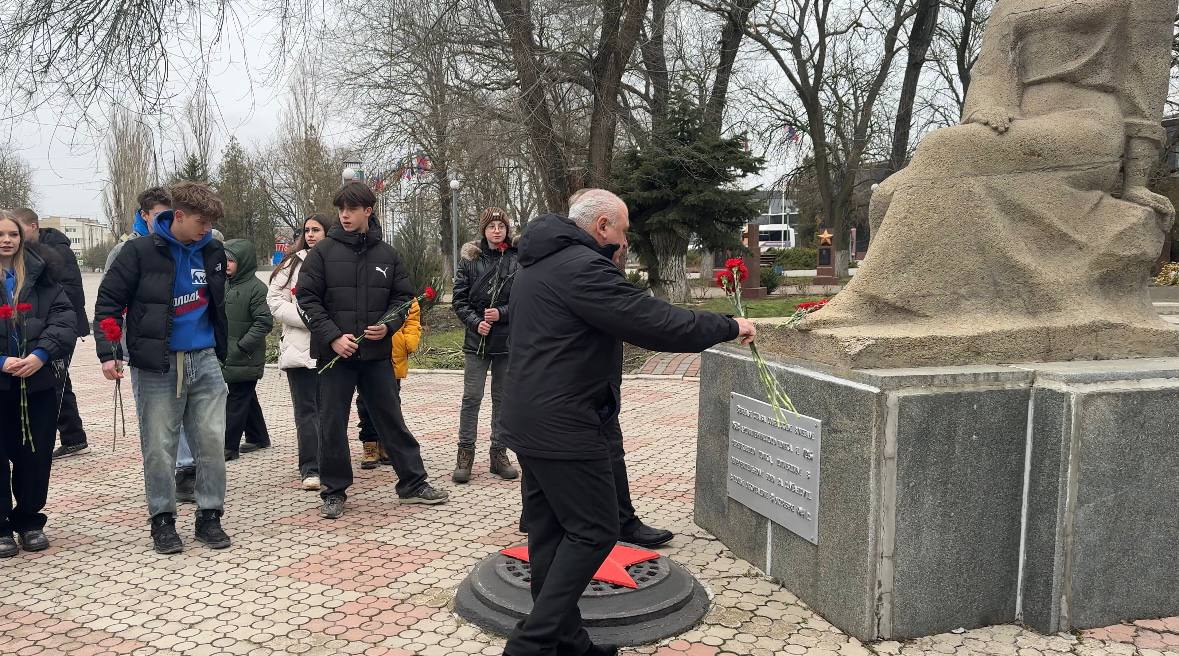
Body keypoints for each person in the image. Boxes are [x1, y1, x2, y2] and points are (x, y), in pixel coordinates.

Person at [501, 189, 756, 656]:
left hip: (529, 417)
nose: (624, 240)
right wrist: (728, 326)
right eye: (622, 230)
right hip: (566, 423)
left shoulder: (537, 263)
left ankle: (568, 642)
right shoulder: (582, 268)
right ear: (602, 226)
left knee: (549, 533)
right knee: (596, 530)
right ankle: (530, 645)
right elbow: (652, 321)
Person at [93, 182, 232, 555]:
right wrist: (109, 351)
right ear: (179, 216)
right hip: (157, 365)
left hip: (204, 360)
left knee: (212, 442)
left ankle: (209, 515)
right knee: (158, 447)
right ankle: (163, 520)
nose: (207, 229)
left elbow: (217, 305)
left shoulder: (214, 251)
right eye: (201, 222)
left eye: (211, 223)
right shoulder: (138, 252)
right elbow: (108, 303)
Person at [296, 182, 448, 519]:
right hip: (335, 356)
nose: (345, 215)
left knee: (391, 418)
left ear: (369, 210)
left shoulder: (387, 254)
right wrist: (333, 336)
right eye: (341, 209)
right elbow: (306, 299)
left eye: (352, 209)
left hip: (376, 355)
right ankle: (333, 491)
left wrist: (388, 326)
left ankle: (413, 483)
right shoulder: (322, 253)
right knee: (332, 423)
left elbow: (403, 299)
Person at [0, 211, 76, 557]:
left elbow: (64, 316)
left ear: (21, 237)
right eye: (0, 235)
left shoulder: (41, 274)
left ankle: (29, 520)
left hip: (37, 381)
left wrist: (41, 354)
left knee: (36, 454)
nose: (6, 240)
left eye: (12, 234)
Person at [10, 208, 91, 459]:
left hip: (56, 329)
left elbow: (68, 293)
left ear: (33, 227)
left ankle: (60, 436)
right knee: (59, 380)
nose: (13, 239)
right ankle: (73, 436)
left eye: (17, 232)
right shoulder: (28, 252)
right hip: (37, 329)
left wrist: (54, 331)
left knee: (54, 381)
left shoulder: (56, 252)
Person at [451, 207, 519, 483]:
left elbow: (525, 298)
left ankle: (498, 453)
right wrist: (475, 321)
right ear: (483, 230)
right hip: (476, 341)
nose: (496, 230)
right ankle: (465, 453)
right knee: (472, 398)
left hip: (505, 341)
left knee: (502, 400)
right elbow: (459, 300)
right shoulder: (470, 260)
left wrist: (502, 312)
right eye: (491, 226)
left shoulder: (517, 260)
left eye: (500, 226)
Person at [268, 214, 333, 491]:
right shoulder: (292, 263)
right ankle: (310, 467)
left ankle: (331, 463)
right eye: (307, 230)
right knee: (306, 411)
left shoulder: (337, 260)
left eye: (316, 230)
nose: (310, 234)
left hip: (331, 346)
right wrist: (308, 318)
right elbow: (274, 300)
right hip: (299, 347)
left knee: (329, 409)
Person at [220, 239, 273, 460]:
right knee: (245, 396)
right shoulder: (222, 284)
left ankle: (228, 447)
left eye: (231, 260)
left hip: (245, 355)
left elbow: (264, 322)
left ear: (244, 262)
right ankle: (258, 436)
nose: (227, 264)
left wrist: (242, 345)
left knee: (236, 399)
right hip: (227, 353)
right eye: (224, 260)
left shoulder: (256, 289)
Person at [356, 297, 421, 470]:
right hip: (368, 353)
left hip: (395, 356)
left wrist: (409, 342)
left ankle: (387, 444)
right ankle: (369, 444)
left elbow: (413, 319)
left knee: (391, 403)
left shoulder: (403, 294)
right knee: (364, 402)